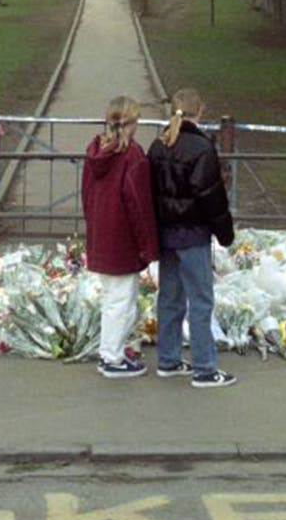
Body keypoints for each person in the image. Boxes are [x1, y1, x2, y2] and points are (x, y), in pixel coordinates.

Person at [147, 88, 237, 388]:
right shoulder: (201, 148)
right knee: (200, 300)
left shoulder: (159, 145)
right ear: (200, 111)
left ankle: (168, 359)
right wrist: (225, 233)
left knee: (170, 298)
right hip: (194, 234)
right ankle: (204, 367)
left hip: (166, 233)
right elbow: (212, 196)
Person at [81, 95, 159, 378]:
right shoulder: (133, 155)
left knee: (111, 299)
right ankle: (112, 357)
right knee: (121, 300)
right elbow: (138, 205)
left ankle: (110, 352)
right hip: (123, 237)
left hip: (101, 232)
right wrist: (148, 246)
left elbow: (86, 195)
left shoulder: (95, 150)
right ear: (132, 122)